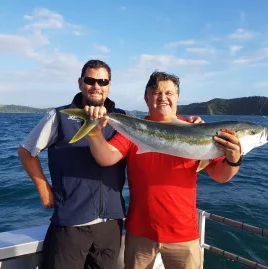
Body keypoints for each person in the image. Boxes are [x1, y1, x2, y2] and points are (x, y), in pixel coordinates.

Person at [84, 71, 242, 269]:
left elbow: (220, 175)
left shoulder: (196, 129)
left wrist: (234, 159)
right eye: (157, 92)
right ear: (146, 97)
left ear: (177, 97)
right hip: (140, 232)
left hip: (183, 235)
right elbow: (106, 158)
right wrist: (94, 133)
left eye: (169, 93)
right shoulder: (135, 129)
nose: (163, 97)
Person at [17, 59, 127, 269]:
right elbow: (25, 151)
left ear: (109, 86)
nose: (96, 86)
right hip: (70, 224)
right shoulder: (59, 116)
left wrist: (190, 124)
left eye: (103, 81)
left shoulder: (121, 119)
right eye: (90, 80)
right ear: (80, 82)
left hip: (111, 225)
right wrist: (43, 188)